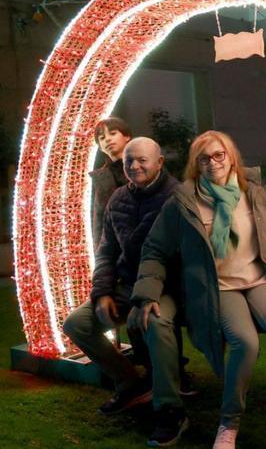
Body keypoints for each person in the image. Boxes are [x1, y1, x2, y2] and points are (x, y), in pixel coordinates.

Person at [133, 131, 266, 448]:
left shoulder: (254, 193)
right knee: (245, 342)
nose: (213, 163)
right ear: (196, 165)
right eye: (204, 158)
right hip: (219, 288)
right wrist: (146, 294)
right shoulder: (183, 203)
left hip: (259, 278)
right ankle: (229, 423)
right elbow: (155, 249)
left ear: (231, 157)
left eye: (219, 155)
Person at [63, 138, 177, 419]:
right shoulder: (118, 198)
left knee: (153, 322)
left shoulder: (177, 197)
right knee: (77, 324)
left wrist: (145, 296)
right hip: (126, 284)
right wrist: (102, 292)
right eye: (129, 161)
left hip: (167, 285)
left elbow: (177, 257)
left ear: (159, 162)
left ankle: (170, 407)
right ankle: (131, 383)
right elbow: (106, 251)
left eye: (142, 160)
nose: (134, 166)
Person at [90, 117, 132, 249]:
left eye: (113, 133)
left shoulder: (145, 166)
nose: (107, 139)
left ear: (127, 136)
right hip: (116, 250)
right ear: (100, 148)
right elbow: (99, 220)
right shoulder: (100, 178)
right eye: (102, 138)